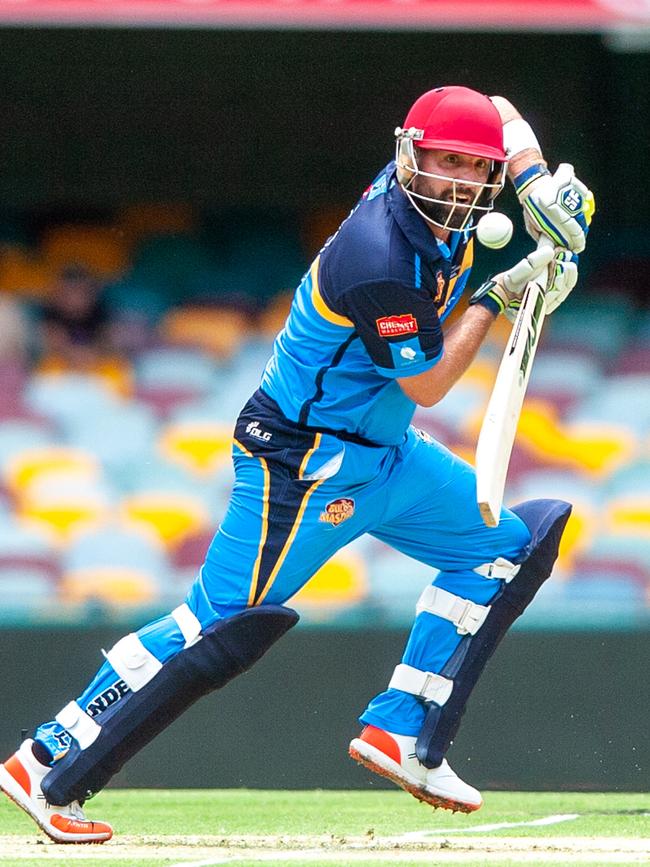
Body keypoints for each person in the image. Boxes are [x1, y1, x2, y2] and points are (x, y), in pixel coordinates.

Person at [0, 86, 593, 843]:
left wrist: (537, 182)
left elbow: (503, 109)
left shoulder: (466, 197)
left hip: (384, 455)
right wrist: (501, 295)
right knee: (218, 626)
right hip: (302, 463)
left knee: (505, 549)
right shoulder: (377, 252)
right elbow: (431, 383)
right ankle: (45, 760)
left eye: (475, 168)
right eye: (443, 161)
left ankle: (402, 731)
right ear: (407, 154)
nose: (457, 181)